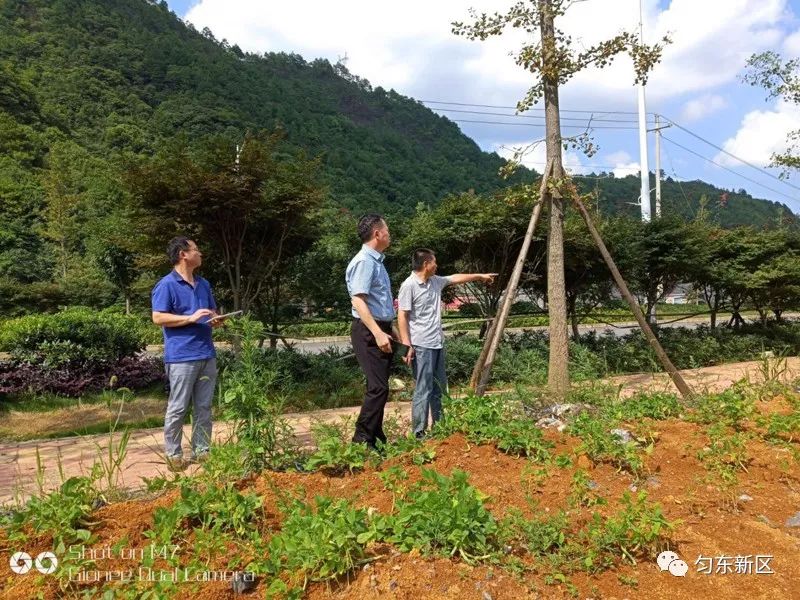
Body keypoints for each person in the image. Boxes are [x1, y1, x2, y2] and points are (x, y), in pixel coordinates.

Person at [397, 249, 496, 438]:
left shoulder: (435, 281)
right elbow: (402, 315)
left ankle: (439, 427)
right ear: (426, 264)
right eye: (434, 262)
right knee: (423, 388)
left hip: (436, 343)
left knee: (439, 387)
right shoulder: (408, 286)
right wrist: (406, 344)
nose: (437, 265)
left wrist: (480, 276)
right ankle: (419, 432)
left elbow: (455, 278)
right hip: (420, 345)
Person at [151, 237, 225, 471]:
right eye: (196, 249)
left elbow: (210, 311)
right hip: (182, 356)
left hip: (206, 353)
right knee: (178, 407)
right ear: (183, 254)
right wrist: (189, 318)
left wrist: (215, 319)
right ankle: (173, 454)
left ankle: (202, 451)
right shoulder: (166, 285)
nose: (200, 253)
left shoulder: (203, 283)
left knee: (203, 407)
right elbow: (158, 317)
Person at [345, 214, 395, 448]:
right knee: (378, 387)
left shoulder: (376, 262)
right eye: (387, 230)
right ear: (377, 234)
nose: (389, 234)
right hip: (368, 330)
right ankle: (362, 440)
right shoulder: (364, 261)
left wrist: (389, 330)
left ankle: (376, 437)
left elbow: (381, 303)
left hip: (380, 328)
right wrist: (377, 332)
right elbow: (358, 301)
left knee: (380, 387)